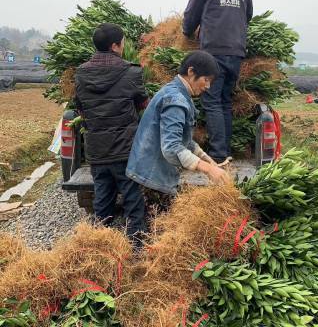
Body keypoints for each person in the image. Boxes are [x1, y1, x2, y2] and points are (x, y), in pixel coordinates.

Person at [75, 23, 148, 244]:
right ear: (115, 46)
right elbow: (143, 103)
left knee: (102, 200)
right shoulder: (131, 72)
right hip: (125, 150)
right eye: (123, 42)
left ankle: (100, 248)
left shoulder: (81, 73)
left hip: (97, 150)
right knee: (132, 200)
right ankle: (136, 248)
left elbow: (80, 108)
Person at [126, 50, 230, 196]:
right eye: (206, 79)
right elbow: (171, 147)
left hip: (151, 175)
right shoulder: (175, 100)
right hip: (149, 179)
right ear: (191, 71)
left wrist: (206, 158)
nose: (208, 87)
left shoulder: (178, 94)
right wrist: (208, 169)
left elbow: (183, 140)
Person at [182, 0, 253, 165]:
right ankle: (225, 150)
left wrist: (187, 33)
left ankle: (218, 154)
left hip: (214, 51)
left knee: (211, 101)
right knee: (224, 101)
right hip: (237, 51)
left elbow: (190, 16)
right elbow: (247, 15)